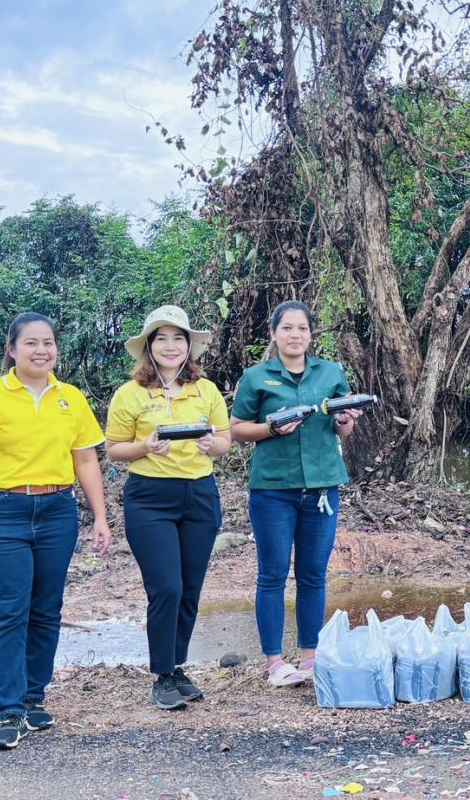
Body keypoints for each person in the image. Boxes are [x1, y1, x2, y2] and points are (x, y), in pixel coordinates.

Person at [0, 312, 111, 750]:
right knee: (8, 611)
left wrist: (99, 515)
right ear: (12, 349)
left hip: (58, 509)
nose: (42, 351)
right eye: (31, 343)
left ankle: (34, 698)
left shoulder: (71, 397)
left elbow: (85, 460)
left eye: (49, 343)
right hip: (1, 510)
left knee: (46, 609)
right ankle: (9, 710)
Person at [105, 306, 231, 711]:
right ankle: (161, 674)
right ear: (148, 347)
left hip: (200, 495)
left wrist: (213, 445)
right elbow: (113, 450)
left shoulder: (206, 390)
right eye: (162, 338)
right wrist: (144, 446)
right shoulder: (130, 395)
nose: (171, 346)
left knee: (190, 589)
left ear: (189, 346)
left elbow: (225, 439)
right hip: (150, 498)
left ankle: (177, 667)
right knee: (166, 588)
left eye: (179, 338)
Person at [229, 301, 361, 687]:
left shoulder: (330, 372)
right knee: (272, 575)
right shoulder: (257, 377)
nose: (295, 335)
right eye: (287, 328)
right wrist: (270, 428)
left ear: (310, 334)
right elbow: (237, 430)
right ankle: (274, 663)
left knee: (313, 575)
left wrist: (345, 419)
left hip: (321, 488)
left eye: (302, 328)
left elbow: (344, 429)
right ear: (274, 333)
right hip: (273, 490)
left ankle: (309, 658)